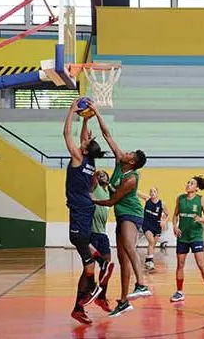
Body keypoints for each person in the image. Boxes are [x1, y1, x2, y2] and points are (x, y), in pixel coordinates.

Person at [88, 103, 151, 318]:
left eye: (129, 152)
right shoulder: (119, 163)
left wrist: (92, 200)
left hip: (131, 214)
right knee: (122, 258)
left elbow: (113, 201)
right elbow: (107, 135)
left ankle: (141, 284)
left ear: (132, 161)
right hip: (121, 213)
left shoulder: (131, 179)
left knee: (128, 247)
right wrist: (96, 112)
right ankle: (124, 301)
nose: (125, 151)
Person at [64, 101, 105, 324]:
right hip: (85, 213)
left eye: (86, 142)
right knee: (89, 263)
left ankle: (90, 292)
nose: (85, 140)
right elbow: (83, 139)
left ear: (86, 149)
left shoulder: (79, 158)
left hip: (80, 217)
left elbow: (66, 133)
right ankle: (81, 305)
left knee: (87, 262)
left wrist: (72, 111)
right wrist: (87, 118)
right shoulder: (89, 161)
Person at [170, 176, 204, 304]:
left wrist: (201, 219)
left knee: (201, 264)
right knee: (180, 264)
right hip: (182, 236)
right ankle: (179, 292)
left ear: (197, 188)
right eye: (188, 182)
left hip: (196, 236)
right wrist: (175, 226)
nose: (188, 184)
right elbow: (175, 215)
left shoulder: (201, 200)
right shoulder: (180, 198)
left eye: (191, 183)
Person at [89, 170, 115, 313]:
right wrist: (95, 173)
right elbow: (93, 177)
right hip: (91, 232)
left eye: (104, 175)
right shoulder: (95, 187)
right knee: (91, 266)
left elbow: (116, 196)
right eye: (99, 175)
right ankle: (90, 292)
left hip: (102, 233)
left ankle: (102, 296)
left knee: (106, 266)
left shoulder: (107, 193)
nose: (101, 177)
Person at [138, 187, 169, 270]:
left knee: (152, 245)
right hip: (147, 225)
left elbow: (167, 215)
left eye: (154, 191)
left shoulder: (162, 203)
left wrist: (164, 221)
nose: (152, 193)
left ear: (157, 193)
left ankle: (148, 260)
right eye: (150, 191)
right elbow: (138, 192)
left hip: (157, 226)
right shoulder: (147, 199)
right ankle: (150, 261)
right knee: (151, 241)